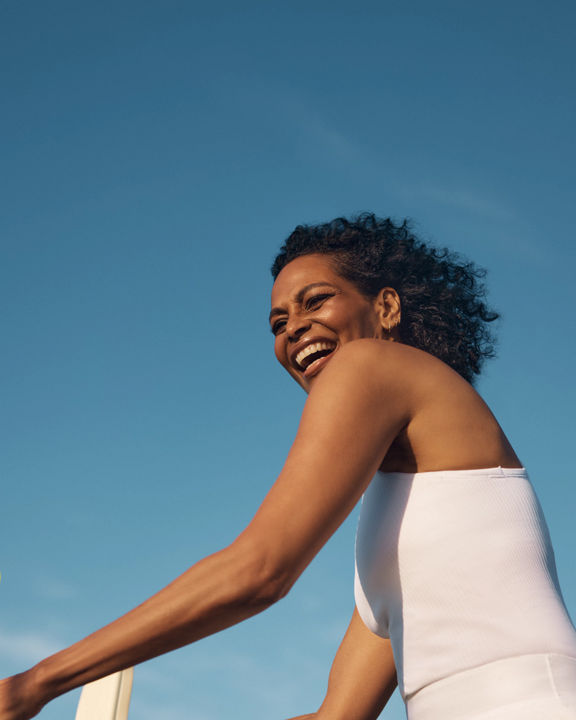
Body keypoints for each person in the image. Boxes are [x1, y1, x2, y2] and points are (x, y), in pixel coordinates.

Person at [1, 213, 575, 720]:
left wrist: (34, 685)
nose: (293, 327)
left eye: (315, 301)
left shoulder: (371, 363)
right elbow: (338, 716)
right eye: (278, 324)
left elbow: (260, 572)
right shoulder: (393, 536)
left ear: (386, 307)